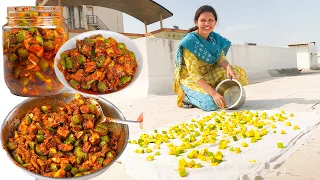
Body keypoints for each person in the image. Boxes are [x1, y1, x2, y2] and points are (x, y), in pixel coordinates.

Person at [173, 5, 249, 111]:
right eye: (203, 20)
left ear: (215, 22)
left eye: (210, 20)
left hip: (209, 73)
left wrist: (228, 67)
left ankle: (211, 89)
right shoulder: (190, 42)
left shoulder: (214, 38)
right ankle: (187, 97)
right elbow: (194, 74)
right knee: (211, 103)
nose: (207, 24)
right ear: (196, 22)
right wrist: (214, 94)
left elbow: (220, 56)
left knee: (239, 73)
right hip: (191, 78)